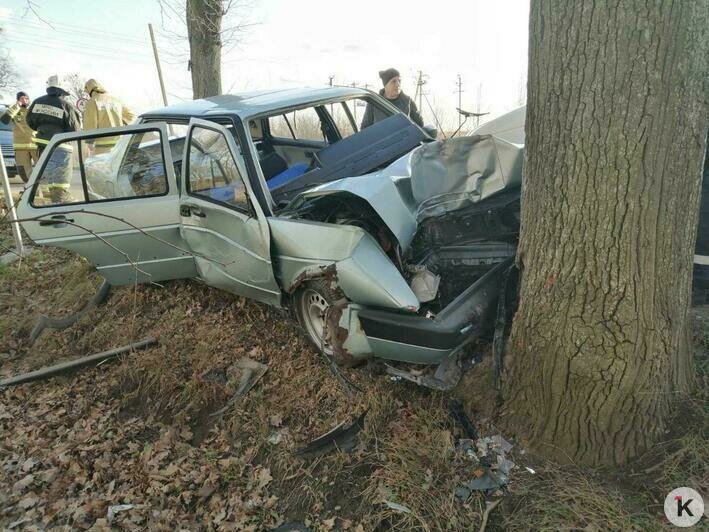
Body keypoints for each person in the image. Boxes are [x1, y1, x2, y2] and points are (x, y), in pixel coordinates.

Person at [26, 75, 81, 203]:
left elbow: (29, 120)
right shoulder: (66, 106)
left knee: (47, 174)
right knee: (60, 177)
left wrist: (42, 129)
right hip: (60, 145)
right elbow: (75, 129)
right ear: (62, 91)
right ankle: (60, 201)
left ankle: (48, 202)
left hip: (41, 145)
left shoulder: (37, 102)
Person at [83, 78, 135, 154]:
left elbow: (91, 123)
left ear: (89, 90)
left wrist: (89, 142)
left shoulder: (92, 102)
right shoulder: (116, 100)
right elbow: (130, 115)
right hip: (120, 144)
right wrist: (121, 122)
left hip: (102, 147)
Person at [0, 91, 38, 182]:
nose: (25, 100)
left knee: (43, 169)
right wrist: (16, 106)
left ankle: (45, 193)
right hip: (20, 147)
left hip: (35, 145)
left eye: (26, 98)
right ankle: (31, 193)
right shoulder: (14, 110)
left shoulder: (33, 110)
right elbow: (4, 120)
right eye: (22, 98)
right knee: (25, 173)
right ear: (18, 100)